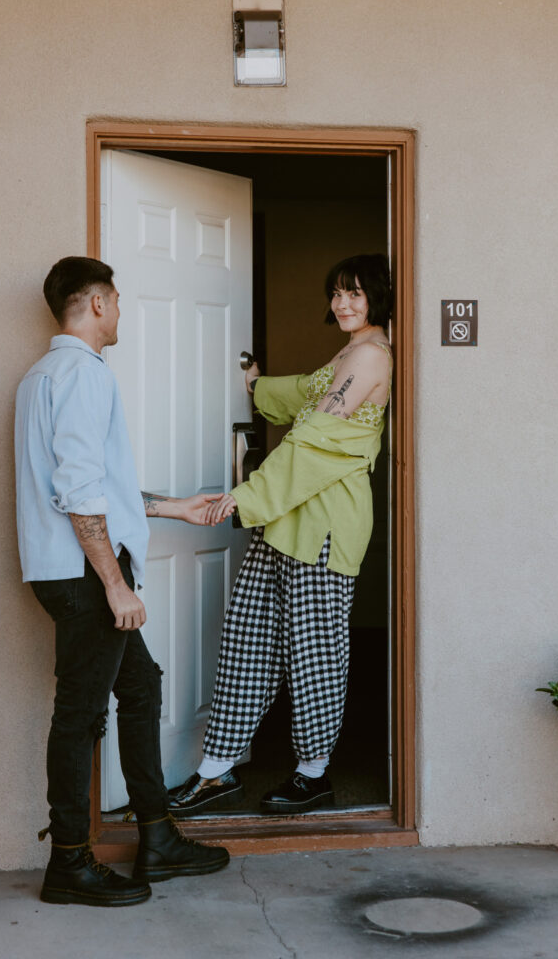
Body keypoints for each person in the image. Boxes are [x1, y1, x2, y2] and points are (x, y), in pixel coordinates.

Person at [15, 256, 229, 908]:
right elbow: (78, 491)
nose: (122, 313)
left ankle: (156, 837)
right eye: (120, 301)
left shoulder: (43, 375)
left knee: (140, 685)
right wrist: (114, 583)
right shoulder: (82, 375)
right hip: (83, 574)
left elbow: (97, 486)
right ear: (100, 303)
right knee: (80, 713)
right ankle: (70, 864)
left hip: (67, 568)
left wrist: (173, 508)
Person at [169, 254, 393, 817]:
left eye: (357, 294)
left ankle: (314, 774)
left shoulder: (371, 354)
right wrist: (255, 383)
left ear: (380, 298)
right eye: (338, 292)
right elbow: (304, 395)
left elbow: (313, 442)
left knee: (313, 651)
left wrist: (243, 499)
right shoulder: (350, 349)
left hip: (325, 520)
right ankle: (216, 770)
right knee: (248, 637)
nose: (343, 303)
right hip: (286, 517)